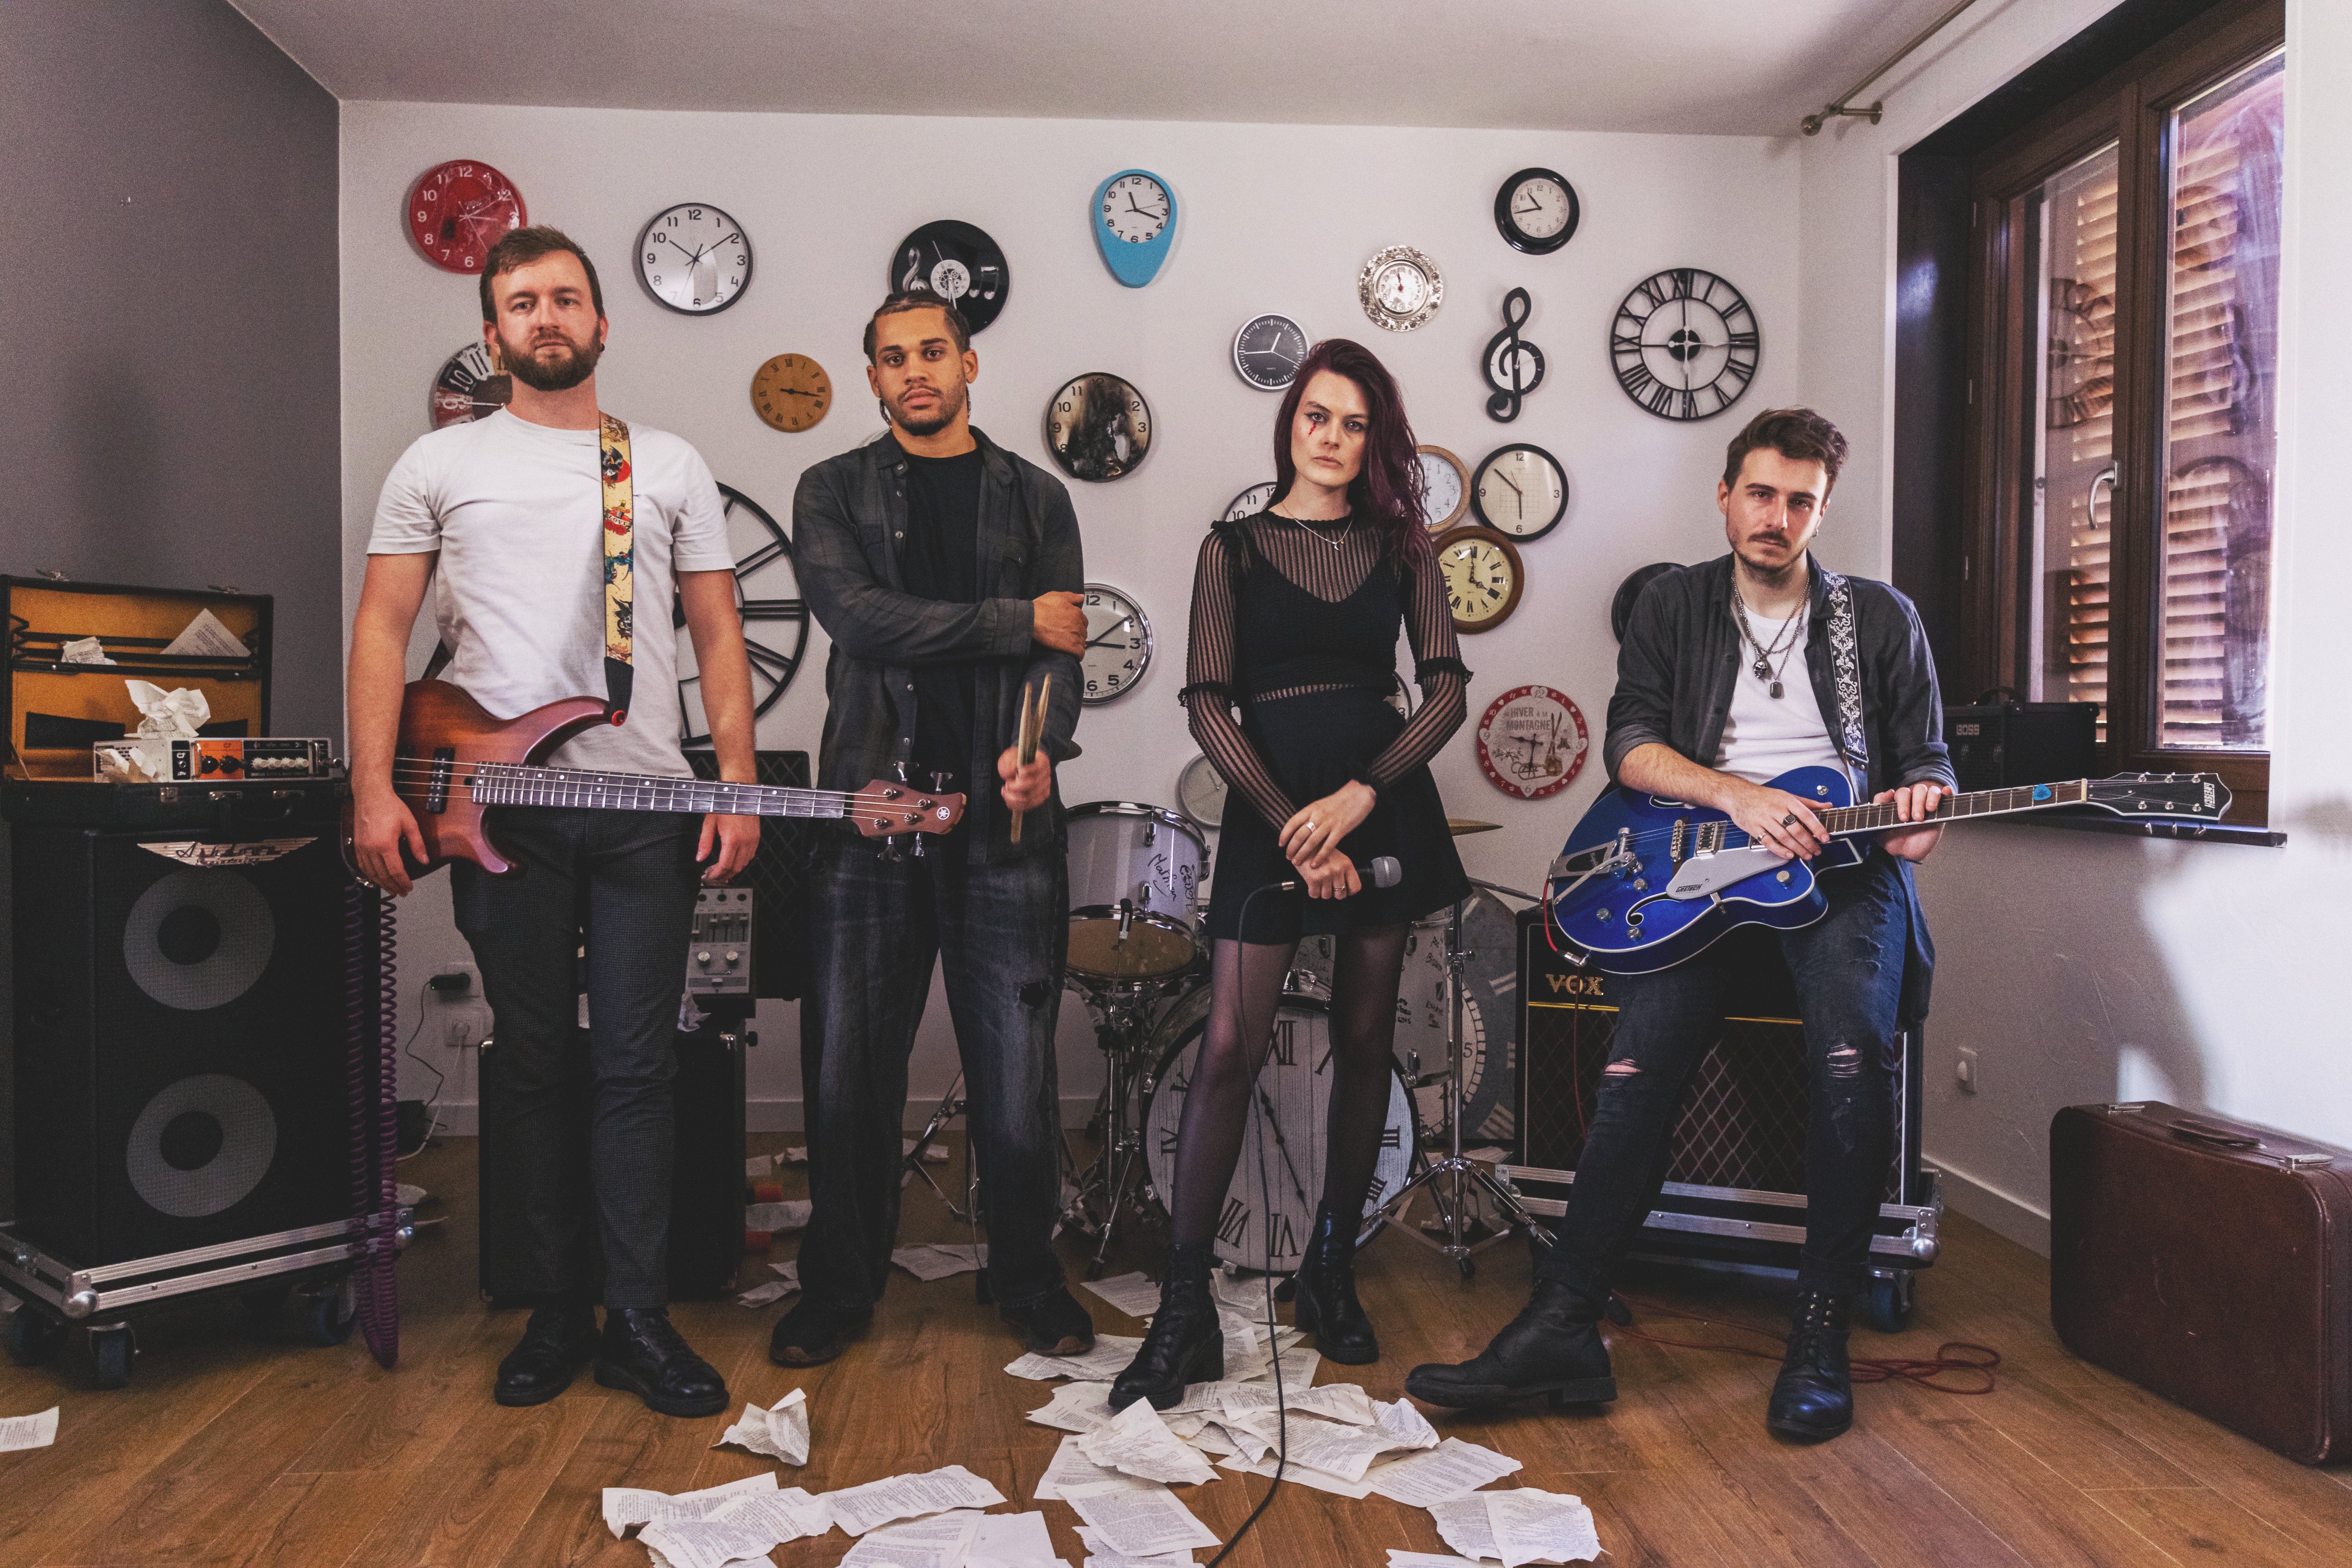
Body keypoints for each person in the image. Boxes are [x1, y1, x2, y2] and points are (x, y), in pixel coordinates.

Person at [1406, 407, 1953, 1442]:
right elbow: (1630, 746)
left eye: (1800, 501)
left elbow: (1926, 777)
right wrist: (1737, 797)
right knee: (1634, 1069)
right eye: (1761, 493)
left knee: (1852, 1059)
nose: (1776, 516)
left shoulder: (1880, 620)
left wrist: (1916, 819)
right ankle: (1563, 1326)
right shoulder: (1674, 603)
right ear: (1726, 493)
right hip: (1698, 865)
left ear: (1822, 509)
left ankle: (1820, 1332)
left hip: (1840, 877)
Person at [349, 226, 759, 1417]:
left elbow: (719, 633)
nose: (546, 317)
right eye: (522, 303)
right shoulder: (436, 464)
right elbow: (384, 627)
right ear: (492, 333)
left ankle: (636, 1318)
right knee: (529, 1061)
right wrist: (377, 788)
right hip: (497, 809)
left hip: (641, 804)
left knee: (638, 1065)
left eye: (566, 299)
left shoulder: (666, 464)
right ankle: (550, 1312)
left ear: (601, 324)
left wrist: (730, 780)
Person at [1112, 339, 1472, 1411]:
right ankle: (1184, 1311)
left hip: (1378, 796)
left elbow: (1445, 690)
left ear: (1374, 440)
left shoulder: (1405, 549)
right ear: (1290, 423)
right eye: (1318, 415)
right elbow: (1208, 702)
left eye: (1356, 423)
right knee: (1231, 1043)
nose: (1333, 437)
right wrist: (1287, 827)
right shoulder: (1232, 549)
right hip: (1273, 807)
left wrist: (1359, 801)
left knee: (1365, 1040)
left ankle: (1329, 1270)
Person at [773, 291, 1093, 1367]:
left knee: (1017, 1074)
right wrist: (1014, 620)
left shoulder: (1038, 497)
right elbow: (858, 614)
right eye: (893, 357)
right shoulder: (833, 489)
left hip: (1006, 832)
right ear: (871, 377)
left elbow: (1062, 656)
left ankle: (1027, 1277)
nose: (915, 371)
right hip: (872, 816)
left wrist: (1042, 749)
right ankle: (840, 1286)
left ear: (969, 363)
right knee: (848, 1071)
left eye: (932, 353)